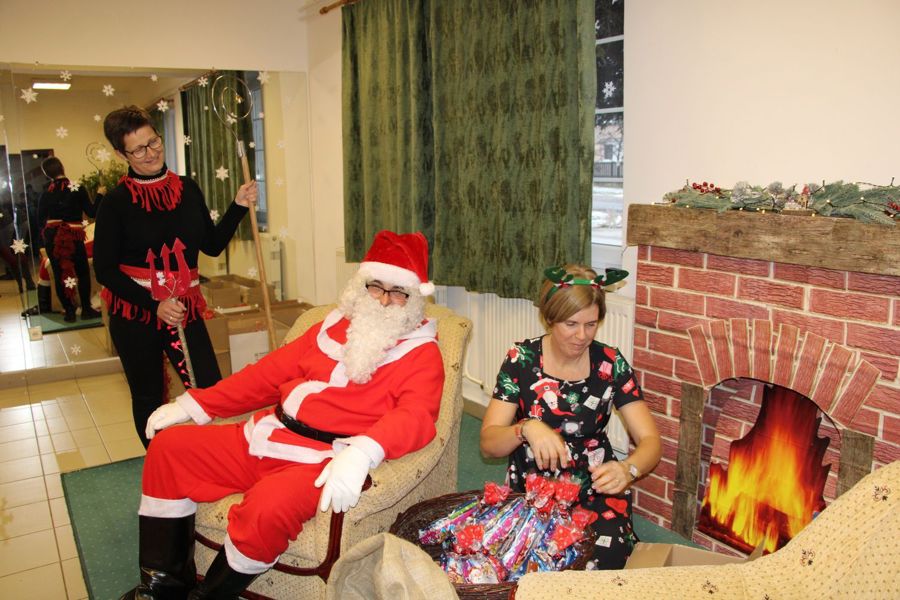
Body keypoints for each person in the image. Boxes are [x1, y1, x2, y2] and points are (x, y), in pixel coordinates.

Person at [118, 230, 445, 600]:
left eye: (398, 292)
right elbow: (268, 375)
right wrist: (196, 404)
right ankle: (163, 586)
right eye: (376, 287)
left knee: (267, 510)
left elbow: (417, 416)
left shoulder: (422, 353)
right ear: (362, 285)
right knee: (170, 449)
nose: (384, 301)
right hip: (269, 433)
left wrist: (364, 451)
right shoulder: (330, 327)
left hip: (322, 460)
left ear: (414, 298)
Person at [93, 105, 257, 448]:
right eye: (139, 150)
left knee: (209, 388)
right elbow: (105, 270)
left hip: (185, 308)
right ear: (121, 154)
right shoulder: (116, 203)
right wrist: (154, 303)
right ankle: (160, 464)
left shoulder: (187, 189)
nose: (151, 153)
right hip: (136, 313)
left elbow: (211, 245)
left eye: (153, 142)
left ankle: (211, 458)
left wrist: (238, 206)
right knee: (148, 396)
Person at [480, 264, 661, 570]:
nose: (582, 336)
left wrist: (628, 469)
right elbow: (488, 444)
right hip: (533, 491)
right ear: (549, 318)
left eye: (591, 324)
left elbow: (651, 441)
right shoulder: (521, 360)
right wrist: (526, 428)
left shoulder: (611, 363)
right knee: (530, 565)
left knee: (602, 559)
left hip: (593, 489)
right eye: (571, 324)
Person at [36, 156, 100, 322]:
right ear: (62, 167)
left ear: (47, 174)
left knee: (59, 274)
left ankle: (69, 312)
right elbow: (92, 212)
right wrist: (100, 195)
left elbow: (40, 221)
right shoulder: (76, 187)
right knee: (82, 273)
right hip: (73, 235)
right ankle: (86, 309)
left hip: (53, 239)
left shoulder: (46, 194)